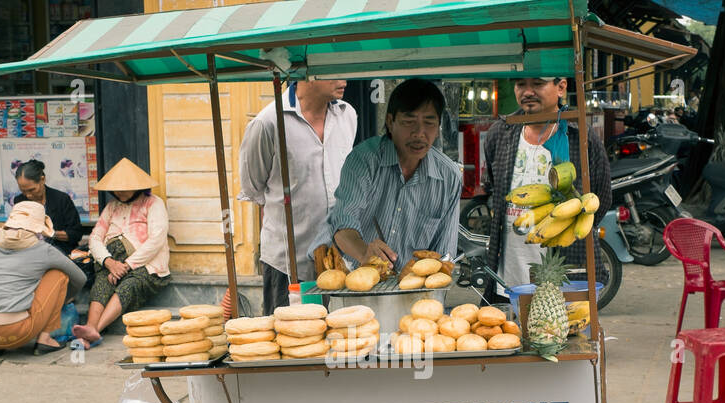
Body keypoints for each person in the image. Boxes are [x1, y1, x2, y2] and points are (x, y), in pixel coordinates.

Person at [479, 75, 611, 299]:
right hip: (507, 278)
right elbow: (495, 188)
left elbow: (601, 198)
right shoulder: (501, 132)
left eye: (538, 83)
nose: (527, 91)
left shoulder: (581, 137)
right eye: (521, 84)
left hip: (565, 277)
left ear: (560, 87)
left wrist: (567, 230)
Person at [237, 78, 356, 314]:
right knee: (293, 343)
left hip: (337, 261)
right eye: (334, 71)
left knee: (336, 340)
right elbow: (253, 188)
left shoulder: (348, 115)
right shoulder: (268, 122)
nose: (344, 80)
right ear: (308, 73)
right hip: (288, 264)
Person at [322, 78, 461, 269]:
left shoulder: (449, 177)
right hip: (358, 282)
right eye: (408, 121)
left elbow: (445, 254)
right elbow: (343, 225)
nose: (419, 133)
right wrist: (365, 253)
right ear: (390, 121)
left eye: (429, 123)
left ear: (438, 128)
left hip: (414, 290)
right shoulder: (364, 160)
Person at [72, 158, 170, 348]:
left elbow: (156, 239)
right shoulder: (112, 206)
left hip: (145, 266)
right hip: (112, 264)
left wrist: (127, 265)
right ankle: (90, 327)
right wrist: (108, 262)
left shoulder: (153, 204)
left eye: (125, 188)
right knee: (101, 284)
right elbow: (95, 238)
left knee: (128, 286)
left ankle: (93, 331)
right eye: (116, 189)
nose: (120, 192)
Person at [0, 199, 87, 354]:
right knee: (58, 275)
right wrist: (62, 300)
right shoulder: (43, 249)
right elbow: (80, 278)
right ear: (38, 226)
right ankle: (45, 340)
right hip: (16, 332)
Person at [13, 159, 84, 255]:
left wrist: (51, 233)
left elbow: (75, 234)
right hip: (30, 253)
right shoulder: (19, 201)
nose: (28, 195)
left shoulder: (61, 199)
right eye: (23, 191)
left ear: (42, 180)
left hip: (60, 252)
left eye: (32, 190)